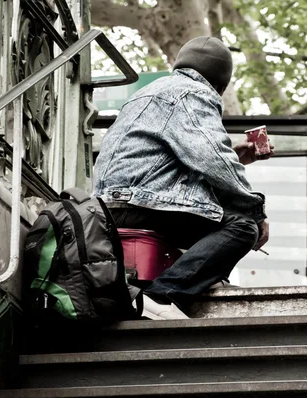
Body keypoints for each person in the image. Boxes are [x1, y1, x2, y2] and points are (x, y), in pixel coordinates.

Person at [93, 36, 272, 320]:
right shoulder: (192, 93)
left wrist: (234, 157)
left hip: (112, 204)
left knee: (218, 220)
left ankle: (196, 279)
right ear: (221, 86)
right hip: (140, 205)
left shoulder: (150, 92)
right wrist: (256, 211)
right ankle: (158, 297)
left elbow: (173, 163)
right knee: (242, 227)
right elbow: (213, 160)